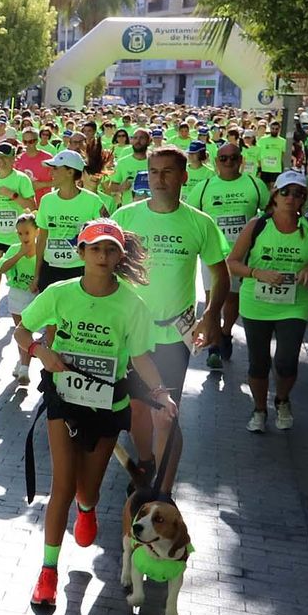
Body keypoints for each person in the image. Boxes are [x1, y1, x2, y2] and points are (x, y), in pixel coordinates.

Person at [20, 220, 175, 607]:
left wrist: (160, 394)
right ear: (81, 253)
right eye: (94, 249)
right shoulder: (60, 293)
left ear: (120, 256)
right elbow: (22, 330)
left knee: (85, 490)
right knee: (62, 486)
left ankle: (87, 508)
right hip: (64, 401)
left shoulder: (132, 306)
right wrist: (41, 351)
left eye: (110, 250)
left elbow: (140, 356)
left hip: (108, 407)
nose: (102, 256)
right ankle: (48, 573)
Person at [112, 146, 228, 488]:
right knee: (137, 411)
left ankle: (162, 491)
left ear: (183, 177)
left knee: (165, 415)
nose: (159, 179)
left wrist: (211, 316)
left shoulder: (199, 223)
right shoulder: (126, 218)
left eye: (167, 172)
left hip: (175, 336)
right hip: (132, 337)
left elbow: (220, 276)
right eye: (153, 171)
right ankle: (146, 464)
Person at [225, 170, 308, 433]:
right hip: (257, 302)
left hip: (295, 303)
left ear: (304, 198)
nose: (291, 198)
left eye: (298, 193)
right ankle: (259, 409)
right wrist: (258, 273)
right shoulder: (257, 225)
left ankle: (281, 400)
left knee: (286, 360)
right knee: (259, 362)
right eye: (285, 192)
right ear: (275, 195)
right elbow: (232, 263)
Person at [191, 141, 268, 368]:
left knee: (232, 300)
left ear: (241, 161)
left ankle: (225, 333)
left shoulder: (255, 185)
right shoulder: (204, 187)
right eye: (223, 158)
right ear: (216, 162)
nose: (228, 162)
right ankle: (213, 347)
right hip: (212, 253)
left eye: (233, 158)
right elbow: (191, 215)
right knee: (213, 300)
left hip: (241, 254)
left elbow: (269, 213)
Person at [0, 143, 36, 333]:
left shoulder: (22, 179)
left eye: (5, 157)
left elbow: (31, 206)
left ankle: (24, 322)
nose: (1, 161)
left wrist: (12, 195)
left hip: (16, 238)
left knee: (20, 281)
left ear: (13, 159)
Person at [33, 149, 108, 290]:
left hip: (81, 271)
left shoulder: (93, 201)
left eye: (55, 168)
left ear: (70, 172)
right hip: (50, 270)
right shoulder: (46, 200)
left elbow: (107, 236)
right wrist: (37, 274)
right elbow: (42, 238)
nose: (51, 173)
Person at [0, 213, 42, 384]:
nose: (24, 237)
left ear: (37, 232)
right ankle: (22, 362)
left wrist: (38, 281)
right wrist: (19, 254)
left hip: (34, 297)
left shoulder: (41, 251)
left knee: (28, 330)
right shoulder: (14, 248)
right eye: (20, 233)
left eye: (27, 233)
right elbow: (1, 268)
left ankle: (25, 368)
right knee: (20, 332)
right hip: (16, 294)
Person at [255, 121, 288, 185]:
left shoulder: (283, 141)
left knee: (273, 187)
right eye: (272, 128)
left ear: (279, 129)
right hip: (264, 168)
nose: (274, 130)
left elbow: (283, 154)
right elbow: (257, 152)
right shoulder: (262, 140)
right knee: (264, 186)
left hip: (276, 169)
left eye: (276, 129)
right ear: (270, 128)